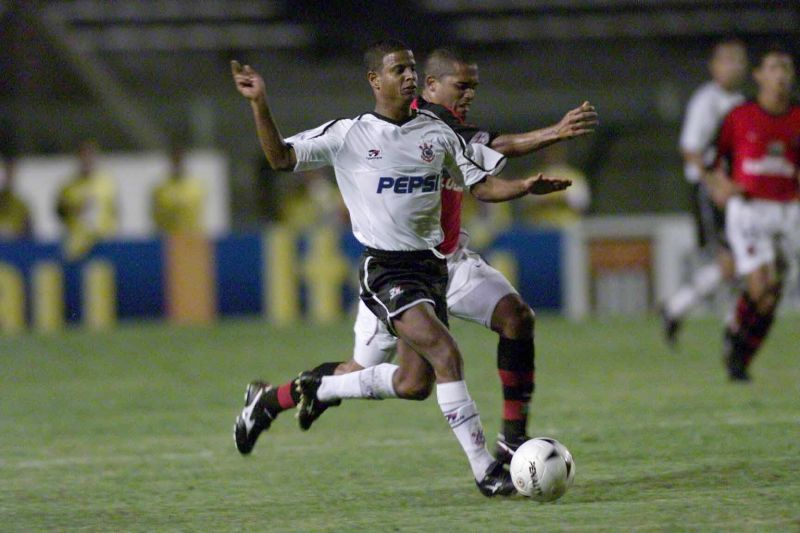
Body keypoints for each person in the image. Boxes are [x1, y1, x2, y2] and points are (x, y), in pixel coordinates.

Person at [231, 40, 573, 496]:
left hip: (433, 268)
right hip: (387, 272)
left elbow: (481, 186)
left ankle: (289, 395)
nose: (408, 76)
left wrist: (525, 188)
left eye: (411, 69)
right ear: (375, 80)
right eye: (399, 70)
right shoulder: (348, 135)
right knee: (447, 353)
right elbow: (280, 159)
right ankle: (487, 473)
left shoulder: (437, 132)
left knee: (413, 383)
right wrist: (260, 104)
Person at [709, 47, 799, 381]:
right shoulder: (739, 115)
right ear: (759, 75)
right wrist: (722, 186)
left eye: (787, 67)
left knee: (773, 295)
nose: (781, 74)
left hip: (788, 211)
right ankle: (735, 337)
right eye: (774, 67)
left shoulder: (797, 117)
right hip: (748, 209)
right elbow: (713, 161)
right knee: (762, 283)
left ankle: (742, 355)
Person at [660, 39, 748, 347]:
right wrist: (714, 185)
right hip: (708, 190)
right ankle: (731, 331)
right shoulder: (706, 101)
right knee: (731, 261)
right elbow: (690, 149)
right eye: (727, 60)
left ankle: (676, 309)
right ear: (714, 66)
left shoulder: (740, 102)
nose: (733, 66)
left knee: (738, 262)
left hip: (732, 191)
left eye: (738, 60)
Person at [56, 141, 117, 260]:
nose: (87, 161)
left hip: (103, 242)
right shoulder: (68, 187)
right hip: (76, 246)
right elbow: (60, 212)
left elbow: (114, 210)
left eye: (90, 157)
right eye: (83, 157)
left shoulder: (107, 183)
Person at [521, 143, 591, 227]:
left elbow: (582, 203)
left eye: (556, 151)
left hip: (567, 228)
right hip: (539, 229)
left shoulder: (574, 176)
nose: (552, 154)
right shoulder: (534, 176)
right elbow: (526, 201)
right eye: (549, 151)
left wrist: (559, 197)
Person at [152, 145, 206, 234]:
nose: (178, 164)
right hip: (169, 239)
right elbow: (156, 217)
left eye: (180, 160)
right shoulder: (160, 189)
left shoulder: (196, 187)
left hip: (193, 239)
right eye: (175, 161)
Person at [0, 155, 31, 239]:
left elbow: (29, 238)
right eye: (4, 173)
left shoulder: (21, 206)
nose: (6, 177)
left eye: (10, 173)